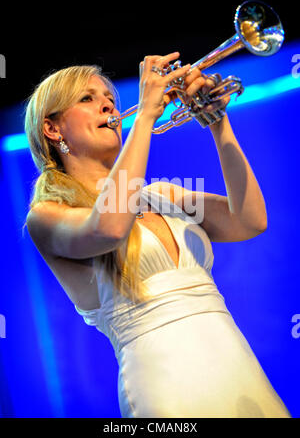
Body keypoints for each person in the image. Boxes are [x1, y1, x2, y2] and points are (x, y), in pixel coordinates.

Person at [24, 53, 291, 418]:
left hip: (237, 366)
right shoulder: (47, 217)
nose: (106, 104)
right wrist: (146, 116)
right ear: (53, 130)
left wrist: (217, 121)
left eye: (109, 99)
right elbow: (111, 227)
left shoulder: (164, 195)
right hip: (163, 385)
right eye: (87, 99)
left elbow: (249, 220)